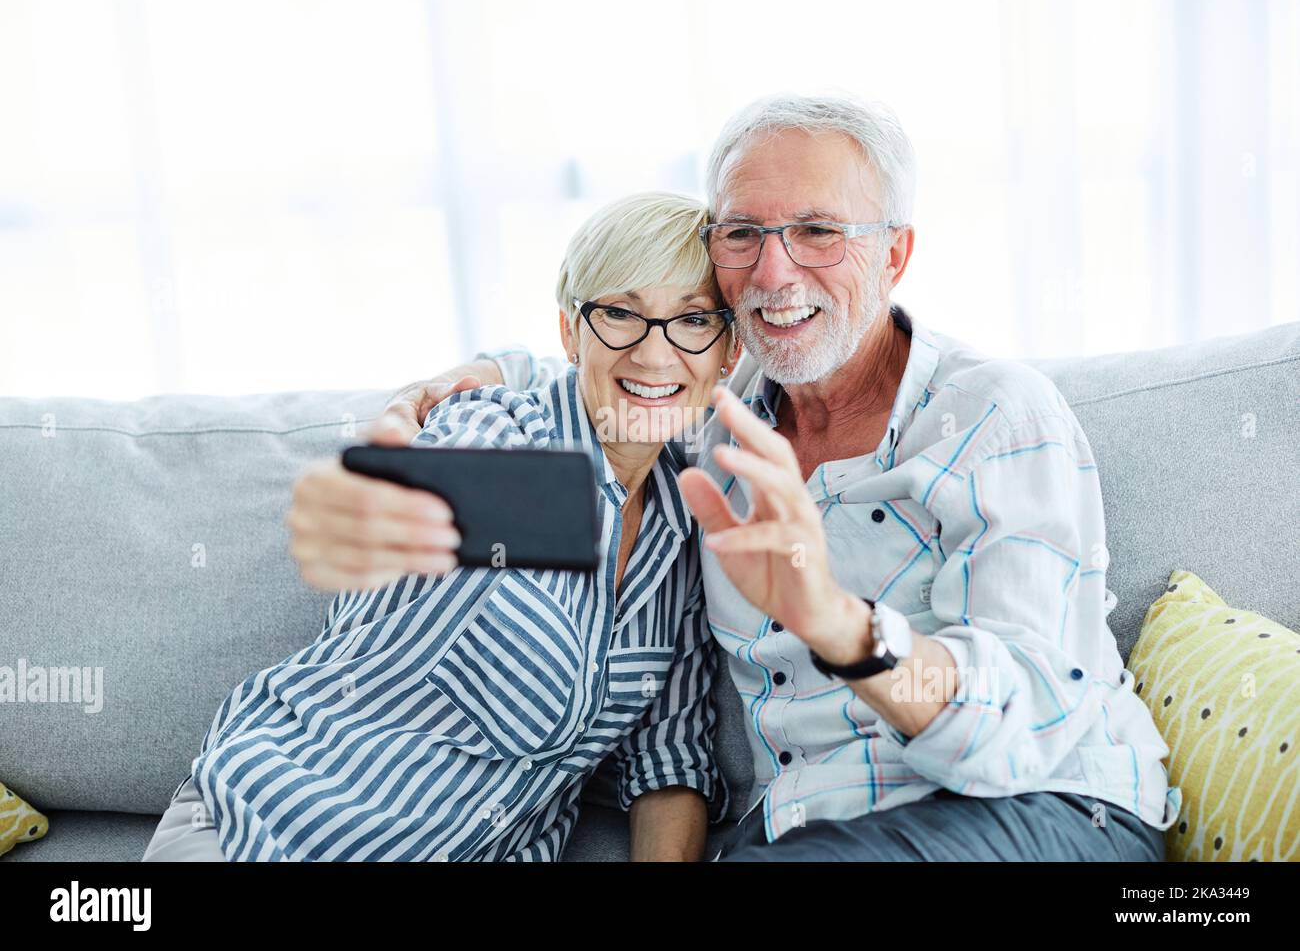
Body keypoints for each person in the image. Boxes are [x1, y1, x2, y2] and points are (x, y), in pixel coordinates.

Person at [289, 94, 1181, 861]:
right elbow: (617, 360)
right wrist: (477, 376)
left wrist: (833, 621)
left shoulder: (995, 415)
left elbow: (1024, 727)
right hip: (806, 828)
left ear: (895, 255)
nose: (774, 270)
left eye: (818, 232)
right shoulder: (712, 417)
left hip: (1042, 811)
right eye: (743, 233)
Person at [142, 192, 740, 861]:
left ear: (728, 351)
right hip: (270, 830)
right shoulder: (491, 432)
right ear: (571, 332)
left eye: (691, 320)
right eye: (621, 314)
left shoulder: (682, 529)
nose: (656, 354)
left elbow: (669, 759)